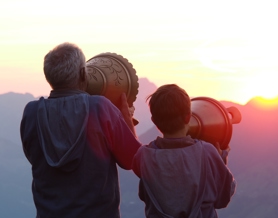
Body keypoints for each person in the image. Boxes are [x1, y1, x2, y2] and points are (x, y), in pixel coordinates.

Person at [20, 42, 141, 218]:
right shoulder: (100, 108)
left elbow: (34, 156)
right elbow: (132, 160)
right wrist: (127, 121)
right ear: (84, 74)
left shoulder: (31, 113)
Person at [132, 84, 236, 218]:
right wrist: (220, 159)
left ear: (154, 121)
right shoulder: (207, 152)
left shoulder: (142, 157)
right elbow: (223, 198)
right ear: (188, 117)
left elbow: (145, 195)